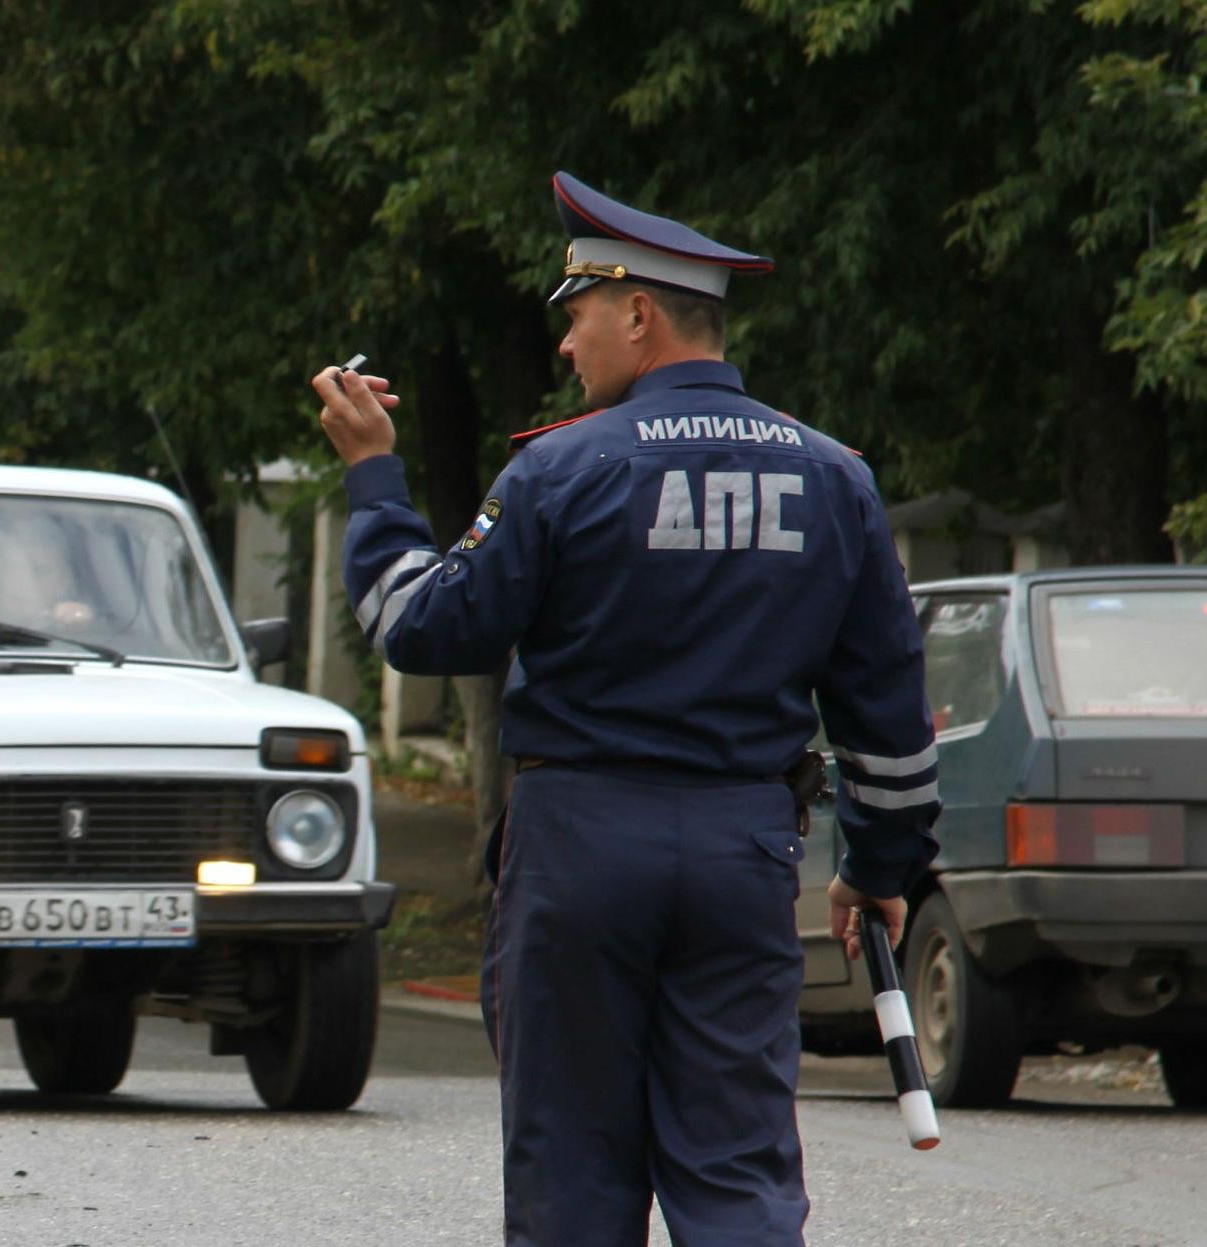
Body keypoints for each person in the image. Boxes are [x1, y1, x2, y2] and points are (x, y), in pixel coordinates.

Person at [311, 171, 941, 1246]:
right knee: (737, 1169)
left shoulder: (560, 469)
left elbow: (422, 627)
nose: (566, 346)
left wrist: (375, 476)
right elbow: (886, 713)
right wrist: (880, 869)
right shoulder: (836, 479)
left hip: (579, 851)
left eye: (579, 316)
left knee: (572, 1170)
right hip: (743, 852)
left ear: (639, 314)